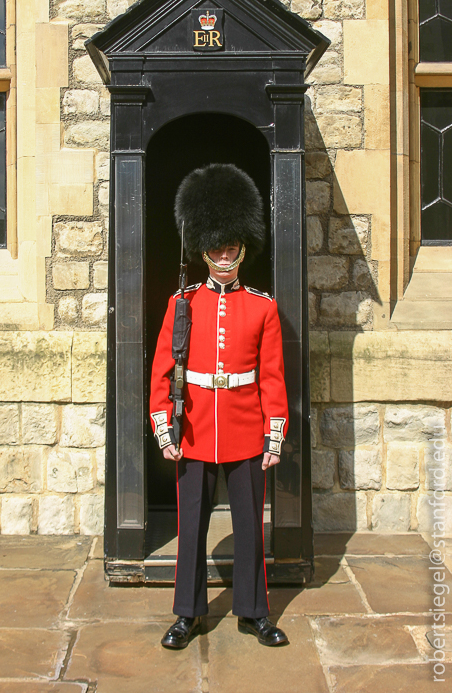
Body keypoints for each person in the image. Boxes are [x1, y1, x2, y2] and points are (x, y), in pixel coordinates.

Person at [150, 164, 289, 649]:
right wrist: (165, 428)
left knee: (251, 525)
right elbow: (163, 370)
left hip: (247, 429)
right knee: (192, 526)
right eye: (216, 246)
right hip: (194, 429)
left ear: (243, 246)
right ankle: (187, 613)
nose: (224, 253)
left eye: (231, 245)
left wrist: (274, 433)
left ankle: (253, 611)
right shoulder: (182, 303)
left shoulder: (263, 307)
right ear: (203, 249)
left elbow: (271, 375)